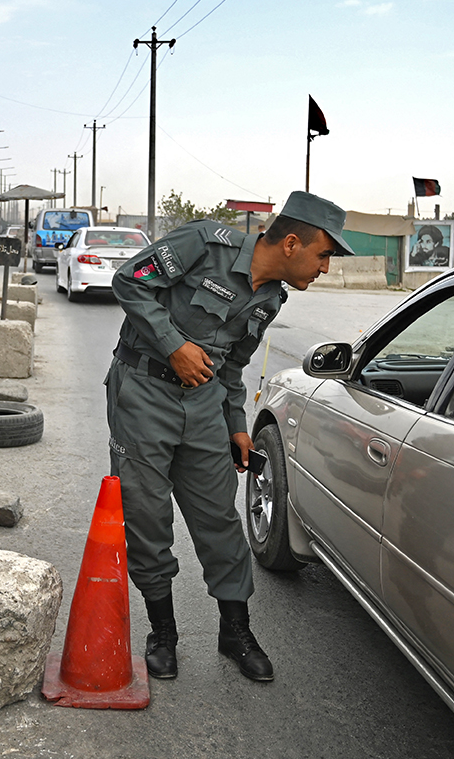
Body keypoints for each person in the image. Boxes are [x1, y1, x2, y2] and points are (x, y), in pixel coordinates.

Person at [106, 190, 354, 683]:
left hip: (202, 408)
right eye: (324, 254)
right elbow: (128, 282)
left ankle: (234, 631)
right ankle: (164, 632)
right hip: (143, 393)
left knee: (219, 517)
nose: (325, 267)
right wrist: (174, 344)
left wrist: (237, 427)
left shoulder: (271, 297)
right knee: (146, 514)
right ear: (290, 243)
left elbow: (233, 366)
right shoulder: (203, 243)